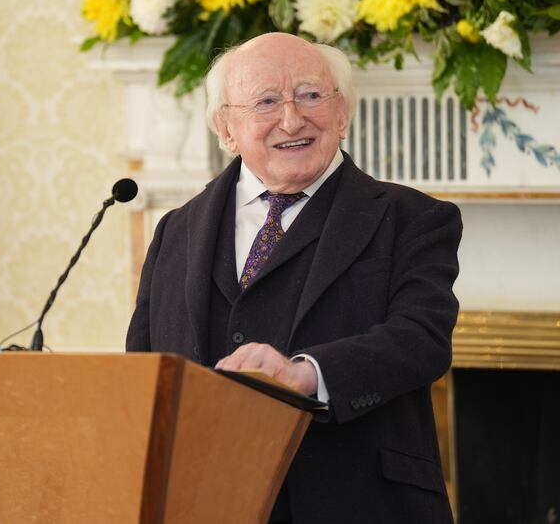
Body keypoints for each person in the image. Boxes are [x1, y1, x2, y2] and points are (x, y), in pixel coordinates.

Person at [126, 32, 461, 523]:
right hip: (206, 503)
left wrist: (303, 375)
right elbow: (145, 370)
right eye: (265, 101)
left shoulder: (414, 217)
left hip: (363, 504)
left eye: (310, 95)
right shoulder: (175, 230)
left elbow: (421, 340)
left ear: (342, 113)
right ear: (225, 128)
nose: (291, 119)